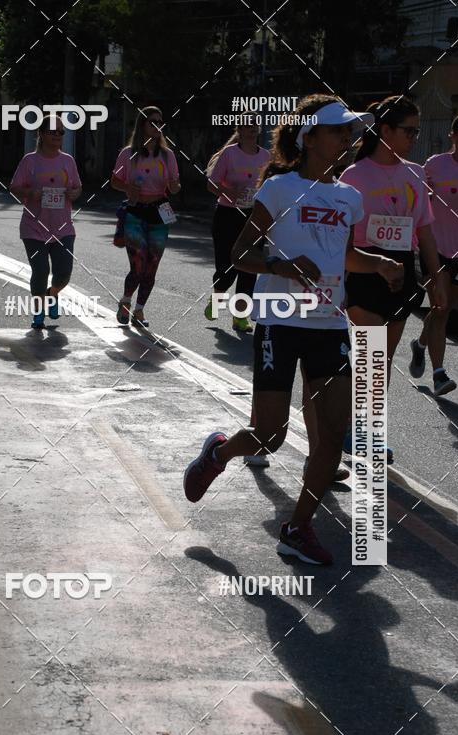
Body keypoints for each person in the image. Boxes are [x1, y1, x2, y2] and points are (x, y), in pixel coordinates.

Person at [183, 95, 403, 565]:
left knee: (332, 432)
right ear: (310, 138)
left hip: (328, 325)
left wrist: (379, 263)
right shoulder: (280, 188)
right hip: (279, 321)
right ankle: (218, 454)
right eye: (339, 131)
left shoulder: (349, 197)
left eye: (350, 132)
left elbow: (338, 253)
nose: (349, 139)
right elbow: (241, 252)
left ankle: (298, 527)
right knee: (269, 436)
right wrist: (282, 265)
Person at [339, 96, 447, 458]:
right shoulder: (353, 176)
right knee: (370, 355)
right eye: (408, 131)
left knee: (381, 362)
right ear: (384, 130)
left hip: (403, 271)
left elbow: (426, 231)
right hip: (364, 267)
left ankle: (368, 430)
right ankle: (355, 432)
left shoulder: (415, 173)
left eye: (417, 131)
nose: (414, 137)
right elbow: (343, 237)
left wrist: (436, 277)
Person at [10, 114, 82, 329]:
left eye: (61, 132)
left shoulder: (68, 161)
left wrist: (73, 193)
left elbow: (78, 187)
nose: (58, 136)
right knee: (40, 271)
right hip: (34, 228)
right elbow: (14, 187)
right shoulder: (29, 161)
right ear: (41, 133)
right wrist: (31, 192)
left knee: (63, 274)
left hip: (63, 229)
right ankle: (39, 311)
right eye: (53, 132)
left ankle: (53, 293)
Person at [111, 106, 180, 328]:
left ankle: (139, 311)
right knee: (138, 265)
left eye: (160, 122)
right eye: (153, 121)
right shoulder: (128, 153)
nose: (158, 125)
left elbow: (176, 186)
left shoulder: (167, 155)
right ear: (143, 125)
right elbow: (115, 181)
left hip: (159, 212)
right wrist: (128, 187)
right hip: (135, 212)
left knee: (152, 267)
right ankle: (126, 300)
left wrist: (174, 185)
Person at [409, 114, 458, 395]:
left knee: (448, 307)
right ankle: (439, 375)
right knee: (440, 309)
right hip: (435, 248)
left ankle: (419, 344)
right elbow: (420, 203)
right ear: (453, 136)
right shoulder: (436, 165)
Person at [205, 124, 270, 333]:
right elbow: (211, 184)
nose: (252, 130)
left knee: (249, 268)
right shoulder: (229, 154)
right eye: (248, 126)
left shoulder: (266, 156)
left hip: (253, 217)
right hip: (227, 216)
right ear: (239, 131)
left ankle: (240, 317)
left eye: (255, 126)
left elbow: (270, 187)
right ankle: (216, 300)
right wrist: (229, 192)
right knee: (226, 268)